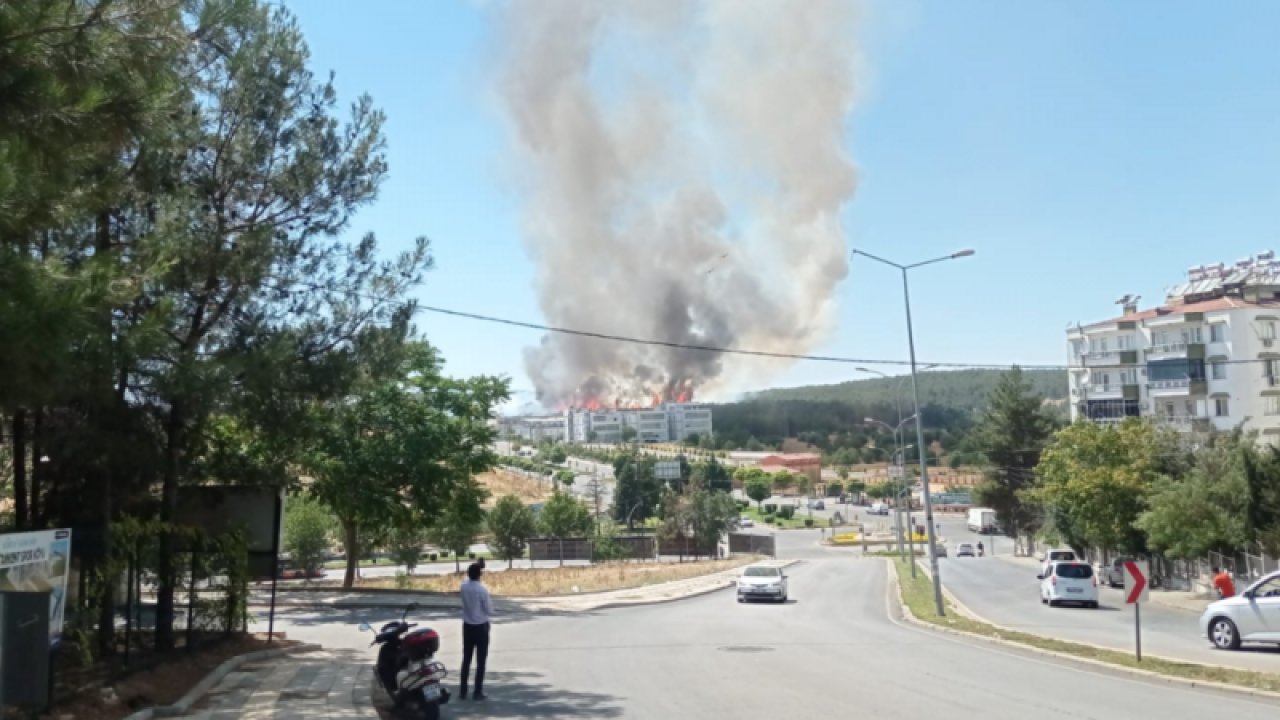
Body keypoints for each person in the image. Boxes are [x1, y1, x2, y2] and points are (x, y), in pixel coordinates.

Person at [459, 562, 493, 701]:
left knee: (466, 659)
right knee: (480, 661)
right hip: (480, 626)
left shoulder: (464, 586)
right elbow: (489, 609)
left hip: (467, 626)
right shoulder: (481, 590)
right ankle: (477, 691)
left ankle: (463, 690)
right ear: (479, 575)